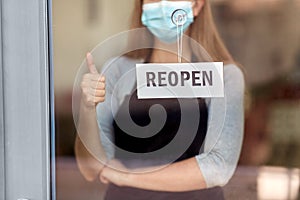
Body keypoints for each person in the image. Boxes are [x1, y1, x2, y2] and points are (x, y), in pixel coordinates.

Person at [75, 0, 245, 199]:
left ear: (197, 5)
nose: (163, 3)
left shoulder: (225, 77)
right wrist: (88, 107)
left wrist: (127, 176)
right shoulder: (118, 71)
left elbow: (218, 167)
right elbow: (92, 168)